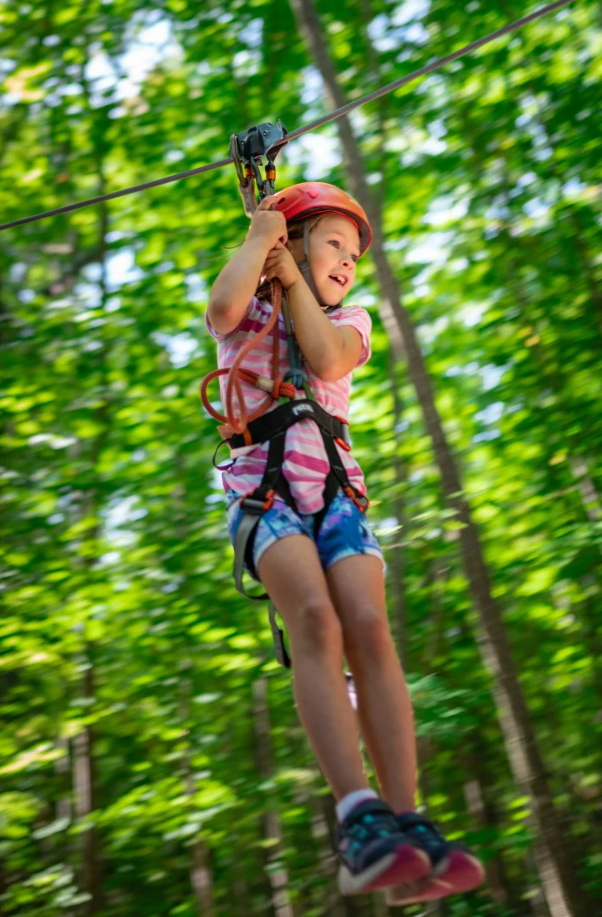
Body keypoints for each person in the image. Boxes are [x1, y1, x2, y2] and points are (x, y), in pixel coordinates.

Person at [205, 182, 485, 904]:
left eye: (355, 255)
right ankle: (357, 817)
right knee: (316, 622)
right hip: (264, 494)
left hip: (334, 494)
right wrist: (259, 234)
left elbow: (328, 362)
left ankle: (407, 817)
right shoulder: (252, 314)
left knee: (368, 627)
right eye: (333, 243)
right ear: (291, 242)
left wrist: (296, 273)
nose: (348, 263)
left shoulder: (352, 318)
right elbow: (221, 310)